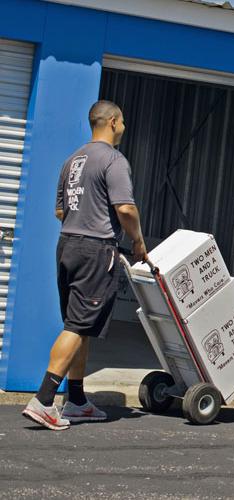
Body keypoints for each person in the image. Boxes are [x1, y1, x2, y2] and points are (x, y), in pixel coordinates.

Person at [22, 100, 148, 430]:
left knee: (80, 324)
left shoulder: (72, 161)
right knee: (78, 326)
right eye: (122, 122)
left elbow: (60, 211)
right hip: (95, 249)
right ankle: (45, 399)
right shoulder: (113, 160)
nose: (123, 127)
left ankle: (76, 399)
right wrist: (137, 241)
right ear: (113, 122)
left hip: (68, 245)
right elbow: (125, 209)